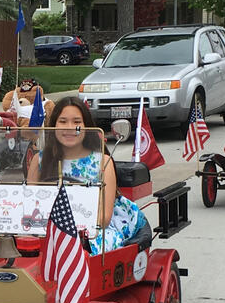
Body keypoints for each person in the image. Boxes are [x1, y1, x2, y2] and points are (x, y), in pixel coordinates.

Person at [26, 97, 143, 255]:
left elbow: (104, 218)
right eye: (63, 121)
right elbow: (28, 205)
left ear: (86, 126)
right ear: (53, 125)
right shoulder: (39, 160)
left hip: (91, 229)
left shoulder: (103, 162)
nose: (70, 128)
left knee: (89, 247)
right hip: (46, 227)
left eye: (76, 122)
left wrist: (68, 230)